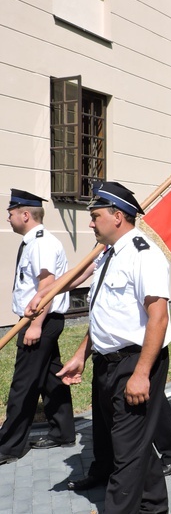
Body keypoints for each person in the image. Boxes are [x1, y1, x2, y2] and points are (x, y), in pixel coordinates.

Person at [56, 182, 171, 514]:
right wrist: (81, 353)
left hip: (136, 361)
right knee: (133, 445)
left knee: (126, 454)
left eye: (95, 216)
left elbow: (158, 318)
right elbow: (105, 315)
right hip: (107, 363)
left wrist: (141, 374)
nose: (90, 223)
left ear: (117, 216)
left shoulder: (143, 254)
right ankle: (154, 510)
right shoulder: (110, 254)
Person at [0, 190, 75, 466]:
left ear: (25, 214)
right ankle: (63, 431)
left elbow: (47, 286)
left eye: (10, 213)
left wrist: (35, 325)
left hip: (38, 321)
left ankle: (8, 446)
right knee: (50, 377)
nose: (8, 218)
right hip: (40, 320)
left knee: (23, 384)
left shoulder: (41, 243)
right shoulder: (33, 241)